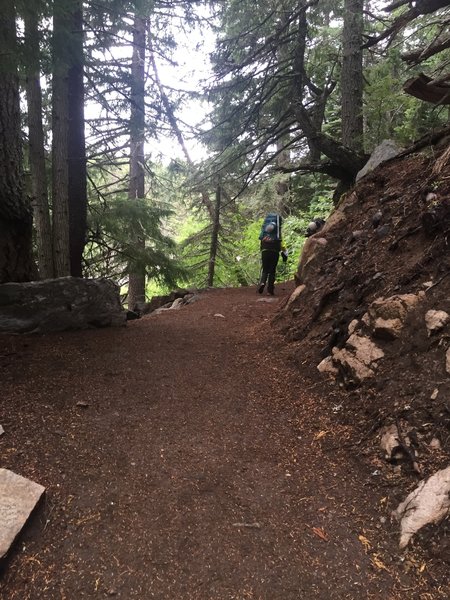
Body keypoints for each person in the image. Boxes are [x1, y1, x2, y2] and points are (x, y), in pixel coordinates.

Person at [258, 212, 288, 295]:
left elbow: (260, 242)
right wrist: (285, 253)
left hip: (265, 251)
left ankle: (262, 282)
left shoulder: (264, 232)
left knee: (265, 269)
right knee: (272, 270)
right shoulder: (277, 233)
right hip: (274, 252)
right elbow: (282, 245)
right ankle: (270, 290)